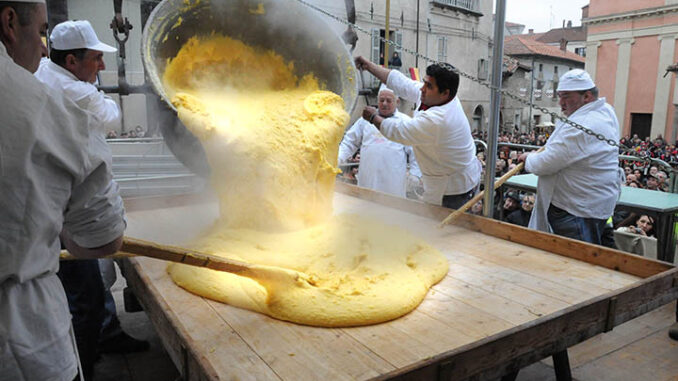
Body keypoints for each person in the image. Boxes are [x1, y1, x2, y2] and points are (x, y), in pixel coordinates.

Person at [0, 2, 126, 381]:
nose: (41, 49)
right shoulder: (49, 106)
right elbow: (104, 239)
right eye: (39, 31)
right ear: (8, 22)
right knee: (86, 297)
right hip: (21, 341)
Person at [34, 19, 149, 374]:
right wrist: (96, 90)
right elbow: (111, 116)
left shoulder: (42, 71)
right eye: (95, 59)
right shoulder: (77, 93)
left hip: (52, 205)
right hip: (73, 212)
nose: (101, 67)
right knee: (85, 298)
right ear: (71, 62)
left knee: (90, 285)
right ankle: (81, 365)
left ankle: (106, 333)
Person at [355, 56, 481, 209]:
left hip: (453, 190)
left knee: (446, 230)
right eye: (424, 82)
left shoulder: (440, 119)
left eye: (428, 86)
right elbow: (403, 84)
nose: (422, 88)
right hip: (446, 180)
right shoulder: (436, 98)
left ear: (445, 93)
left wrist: (373, 117)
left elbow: (399, 131)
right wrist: (369, 66)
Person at [518, 69, 623, 244]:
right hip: (590, 204)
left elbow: (544, 164)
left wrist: (528, 159)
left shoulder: (583, 124)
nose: (561, 103)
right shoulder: (604, 110)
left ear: (587, 96)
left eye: (566, 97)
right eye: (560, 96)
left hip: (576, 209)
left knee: (575, 262)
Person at [338, 85, 420, 198]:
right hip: (368, 180)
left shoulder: (405, 122)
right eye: (381, 100)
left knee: (390, 211)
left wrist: (415, 174)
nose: (384, 103)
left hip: (393, 183)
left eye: (388, 100)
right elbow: (349, 142)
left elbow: (416, 150)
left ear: (397, 101)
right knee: (365, 209)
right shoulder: (365, 120)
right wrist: (338, 158)